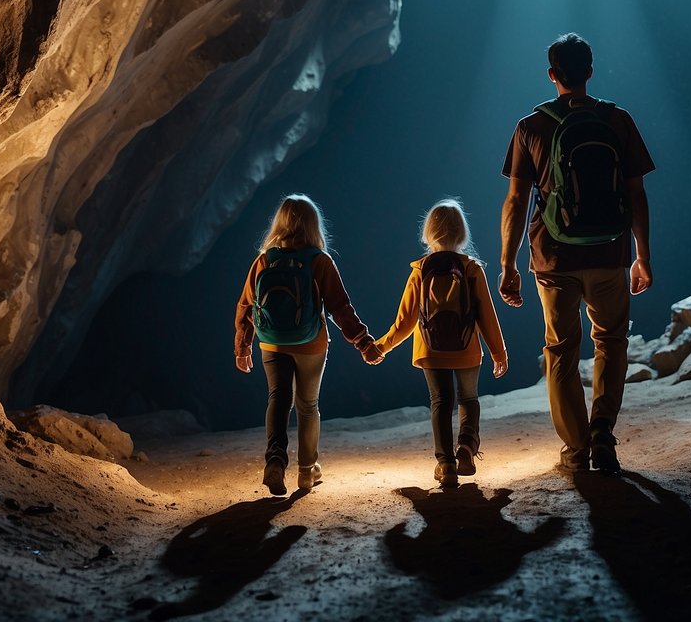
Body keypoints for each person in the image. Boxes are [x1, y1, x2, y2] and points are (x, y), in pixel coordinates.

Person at [499, 33, 655, 474]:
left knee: (561, 348)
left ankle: (575, 445)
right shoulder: (618, 120)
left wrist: (508, 264)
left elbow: (516, 200)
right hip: (609, 251)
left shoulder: (530, 127)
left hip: (553, 257)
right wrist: (642, 255)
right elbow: (636, 194)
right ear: (589, 71)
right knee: (611, 341)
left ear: (552, 74)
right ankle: (603, 433)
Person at [235, 194, 382, 495]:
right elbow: (340, 308)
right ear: (314, 224)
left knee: (278, 399)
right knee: (308, 405)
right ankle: (306, 470)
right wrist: (363, 342)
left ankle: (275, 461)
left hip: (272, 343)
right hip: (311, 342)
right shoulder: (319, 260)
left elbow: (246, 306)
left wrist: (242, 347)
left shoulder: (265, 260)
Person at [372, 199, 509, 488]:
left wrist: (381, 347)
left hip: (430, 350)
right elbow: (487, 315)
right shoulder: (471, 268)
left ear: (429, 232)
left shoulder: (420, 270)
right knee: (468, 399)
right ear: (462, 233)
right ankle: (466, 447)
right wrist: (499, 352)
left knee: (441, 402)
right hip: (466, 347)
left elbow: (405, 321)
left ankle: (446, 464)